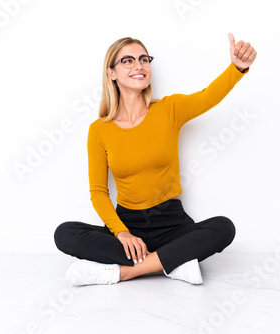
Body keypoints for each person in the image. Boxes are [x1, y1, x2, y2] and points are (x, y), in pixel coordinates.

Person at [54, 33, 256, 286]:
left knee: (223, 228)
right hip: (129, 226)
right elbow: (98, 192)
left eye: (143, 59)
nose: (139, 65)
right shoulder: (99, 130)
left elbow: (208, 96)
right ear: (111, 73)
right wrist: (123, 233)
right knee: (65, 234)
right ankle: (173, 262)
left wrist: (237, 67)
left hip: (171, 224)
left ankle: (124, 272)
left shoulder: (169, 109)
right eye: (127, 61)